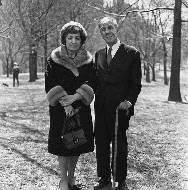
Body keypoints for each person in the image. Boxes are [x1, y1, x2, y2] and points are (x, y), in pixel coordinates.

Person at [93, 16, 142, 190]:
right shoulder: (98, 54)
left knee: (119, 145)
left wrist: (129, 101)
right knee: (101, 143)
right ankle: (104, 179)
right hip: (100, 108)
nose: (107, 32)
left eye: (110, 28)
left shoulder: (131, 53)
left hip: (120, 108)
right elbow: (94, 81)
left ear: (116, 28)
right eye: (103, 29)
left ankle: (120, 181)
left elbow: (136, 83)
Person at [45, 21, 94, 190]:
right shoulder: (53, 58)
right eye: (70, 37)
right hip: (60, 108)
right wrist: (65, 102)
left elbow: (91, 81)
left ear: (82, 40)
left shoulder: (88, 60)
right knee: (62, 145)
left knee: (77, 142)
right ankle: (63, 179)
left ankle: (72, 176)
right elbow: (50, 82)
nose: (73, 41)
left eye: (77, 38)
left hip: (80, 106)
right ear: (64, 39)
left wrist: (76, 97)